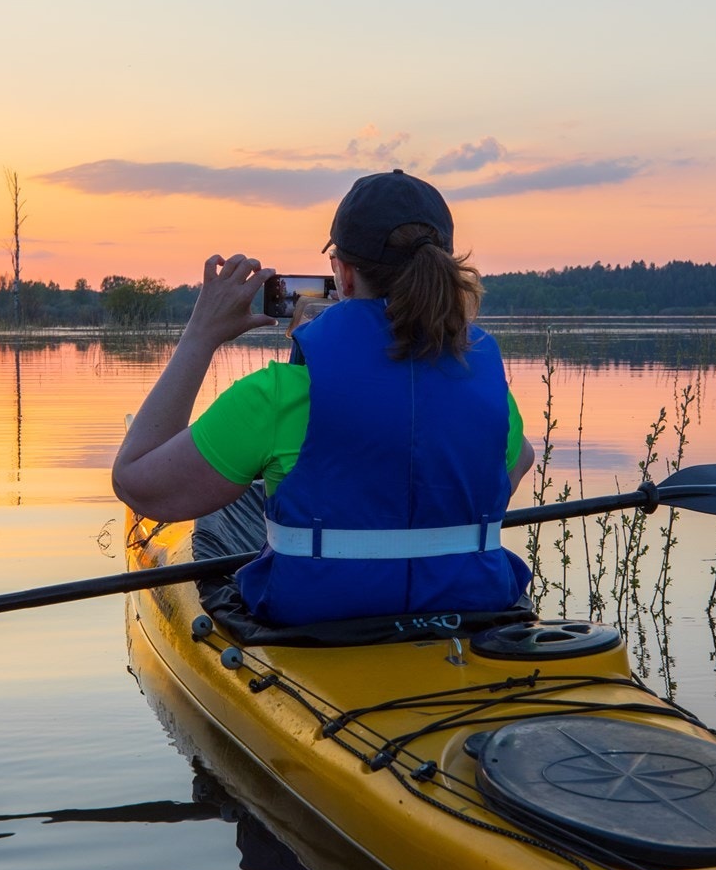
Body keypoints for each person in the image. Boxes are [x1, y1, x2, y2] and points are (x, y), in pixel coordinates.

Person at [113, 169, 534, 626]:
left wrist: (201, 335)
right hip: (468, 618)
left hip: (316, 627)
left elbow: (137, 485)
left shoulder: (278, 395)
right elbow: (520, 458)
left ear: (344, 275)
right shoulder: (486, 384)